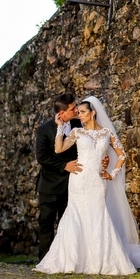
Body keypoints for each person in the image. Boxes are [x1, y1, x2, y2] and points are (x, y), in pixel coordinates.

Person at [34, 96, 140, 275]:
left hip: (98, 181)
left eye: (82, 112)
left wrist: (110, 172)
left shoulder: (106, 133)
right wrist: (59, 128)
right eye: (76, 111)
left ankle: (100, 259)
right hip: (78, 179)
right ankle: (72, 260)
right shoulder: (76, 132)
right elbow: (57, 150)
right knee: (75, 217)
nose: (78, 114)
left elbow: (121, 155)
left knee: (98, 216)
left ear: (93, 113)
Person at [34, 93, 82, 261]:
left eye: (76, 107)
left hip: (72, 183)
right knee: (46, 223)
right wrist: (64, 166)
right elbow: (42, 158)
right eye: (72, 108)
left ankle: (66, 259)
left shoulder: (79, 124)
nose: (76, 110)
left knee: (68, 222)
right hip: (49, 185)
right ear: (61, 113)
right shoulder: (44, 129)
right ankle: (45, 259)